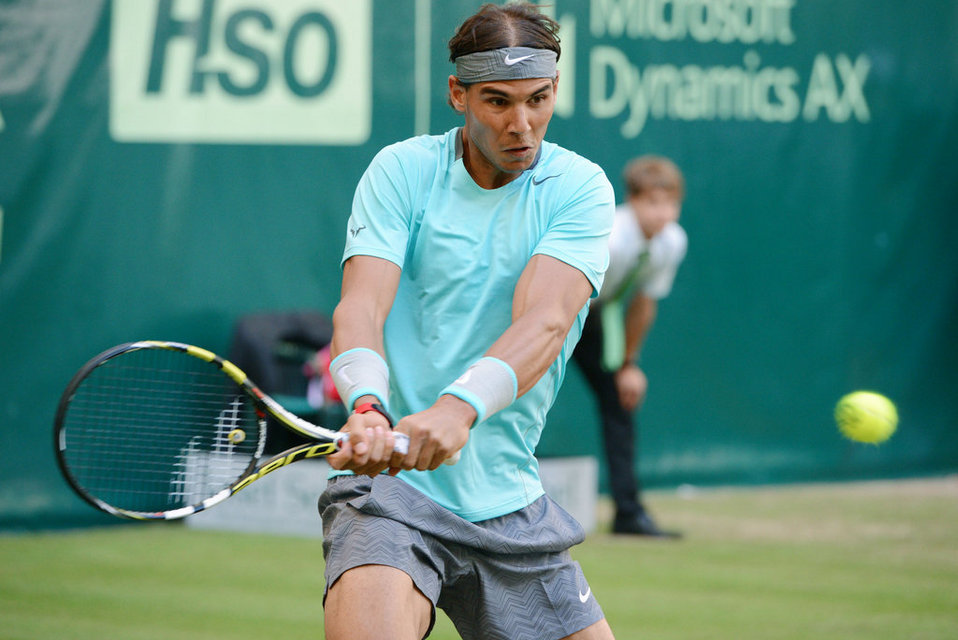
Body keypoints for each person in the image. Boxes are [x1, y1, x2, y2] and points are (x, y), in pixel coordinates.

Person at [316, 4, 619, 639]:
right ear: (458, 94)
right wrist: (369, 405)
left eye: (538, 99)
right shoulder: (402, 170)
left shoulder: (580, 188)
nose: (522, 125)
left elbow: (545, 322)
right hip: (391, 498)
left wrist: (457, 409)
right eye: (497, 102)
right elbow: (361, 306)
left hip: (509, 501)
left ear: (556, 90)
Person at [571, 155, 687, 538]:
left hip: (592, 315)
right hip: (552, 308)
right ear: (632, 201)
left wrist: (628, 364)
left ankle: (628, 513)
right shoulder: (611, 237)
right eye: (653, 202)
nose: (662, 213)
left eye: (671, 203)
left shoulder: (672, 242)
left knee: (619, 400)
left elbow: (643, 303)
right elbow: (565, 296)